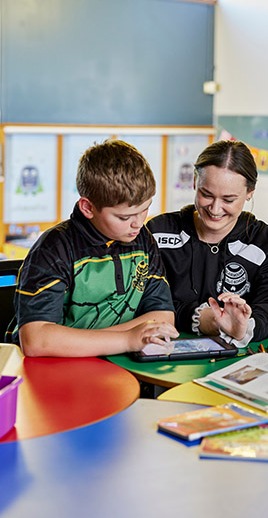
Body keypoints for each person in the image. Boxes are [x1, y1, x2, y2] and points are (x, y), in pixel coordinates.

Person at [8, 140, 177, 356]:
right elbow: (36, 340)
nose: (138, 223)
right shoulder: (53, 249)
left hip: (117, 366)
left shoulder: (143, 239)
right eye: (124, 216)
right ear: (88, 207)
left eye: (145, 209)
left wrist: (99, 341)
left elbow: (163, 318)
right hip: (49, 372)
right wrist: (128, 339)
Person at [147, 140, 268, 345]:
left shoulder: (267, 243)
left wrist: (245, 327)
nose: (215, 209)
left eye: (228, 200)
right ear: (195, 182)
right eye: (206, 195)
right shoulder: (157, 232)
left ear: (250, 192)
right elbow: (143, 301)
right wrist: (200, 319)